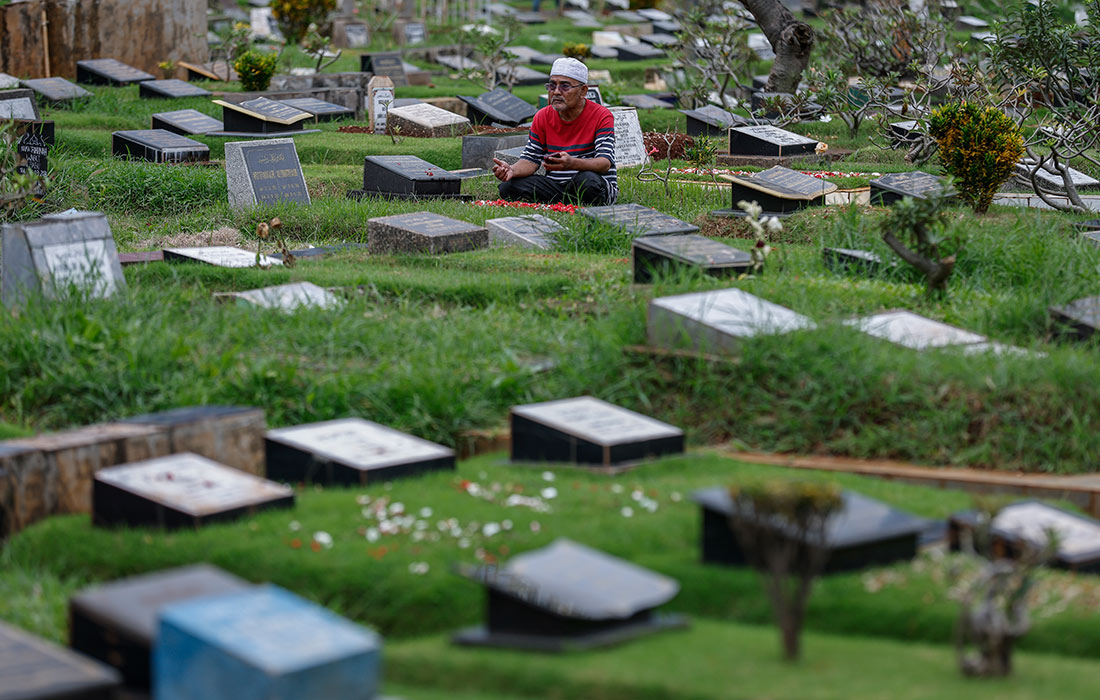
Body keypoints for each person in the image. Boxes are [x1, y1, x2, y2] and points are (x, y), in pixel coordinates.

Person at [493, 57, 617, 206]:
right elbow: (530, 160)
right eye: (552, 86)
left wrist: (572, 163)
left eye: (565, 86)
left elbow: (604, 163)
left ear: (583, 91)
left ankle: (569, 201)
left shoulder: (601, 115)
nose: (556, 92)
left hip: (589, 183)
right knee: (509, 186)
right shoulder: (542, 116)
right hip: (556, 186)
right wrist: (511, 170)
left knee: (588, 182)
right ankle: (565, 203)